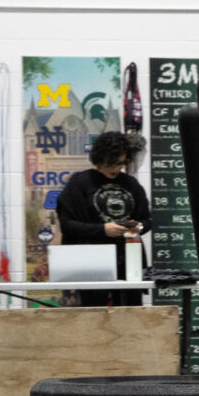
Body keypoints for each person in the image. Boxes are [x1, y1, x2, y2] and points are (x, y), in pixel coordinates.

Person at [55, 130, 149, 304]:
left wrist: (138, 227)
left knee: (132, 312)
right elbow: (67, 225)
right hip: (91, 261)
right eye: (112, 163)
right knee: (94, 312)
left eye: (121, 163)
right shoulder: (80, 183)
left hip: (129, 260)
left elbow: (146, 220)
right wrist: (102, 230)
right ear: (99, 159)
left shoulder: (131, 184)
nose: (116, 169)